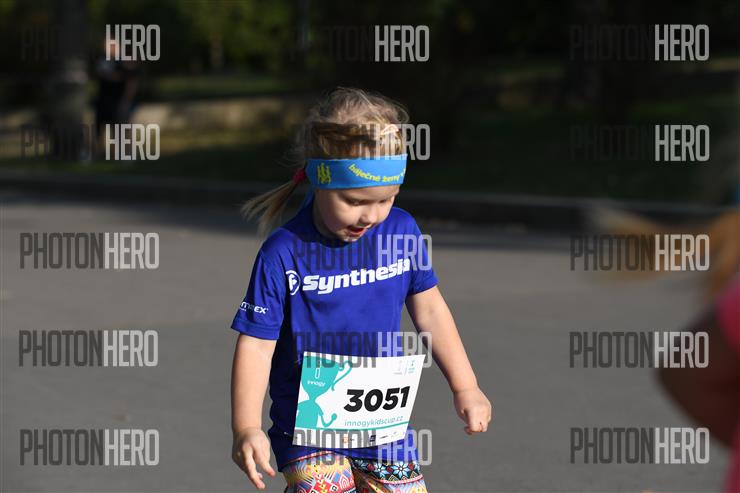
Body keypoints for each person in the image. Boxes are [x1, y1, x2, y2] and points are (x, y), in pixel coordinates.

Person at [229, 88, 492, 492]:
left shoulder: (401, 231)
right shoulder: (283, 252)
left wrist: (466, 386)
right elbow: (257, 344)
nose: (370, 215)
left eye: (386, 200)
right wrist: (246, 426)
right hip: (309, 432)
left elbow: (431, 311)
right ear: (319, 179)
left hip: (383, 425)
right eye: (353, 201)